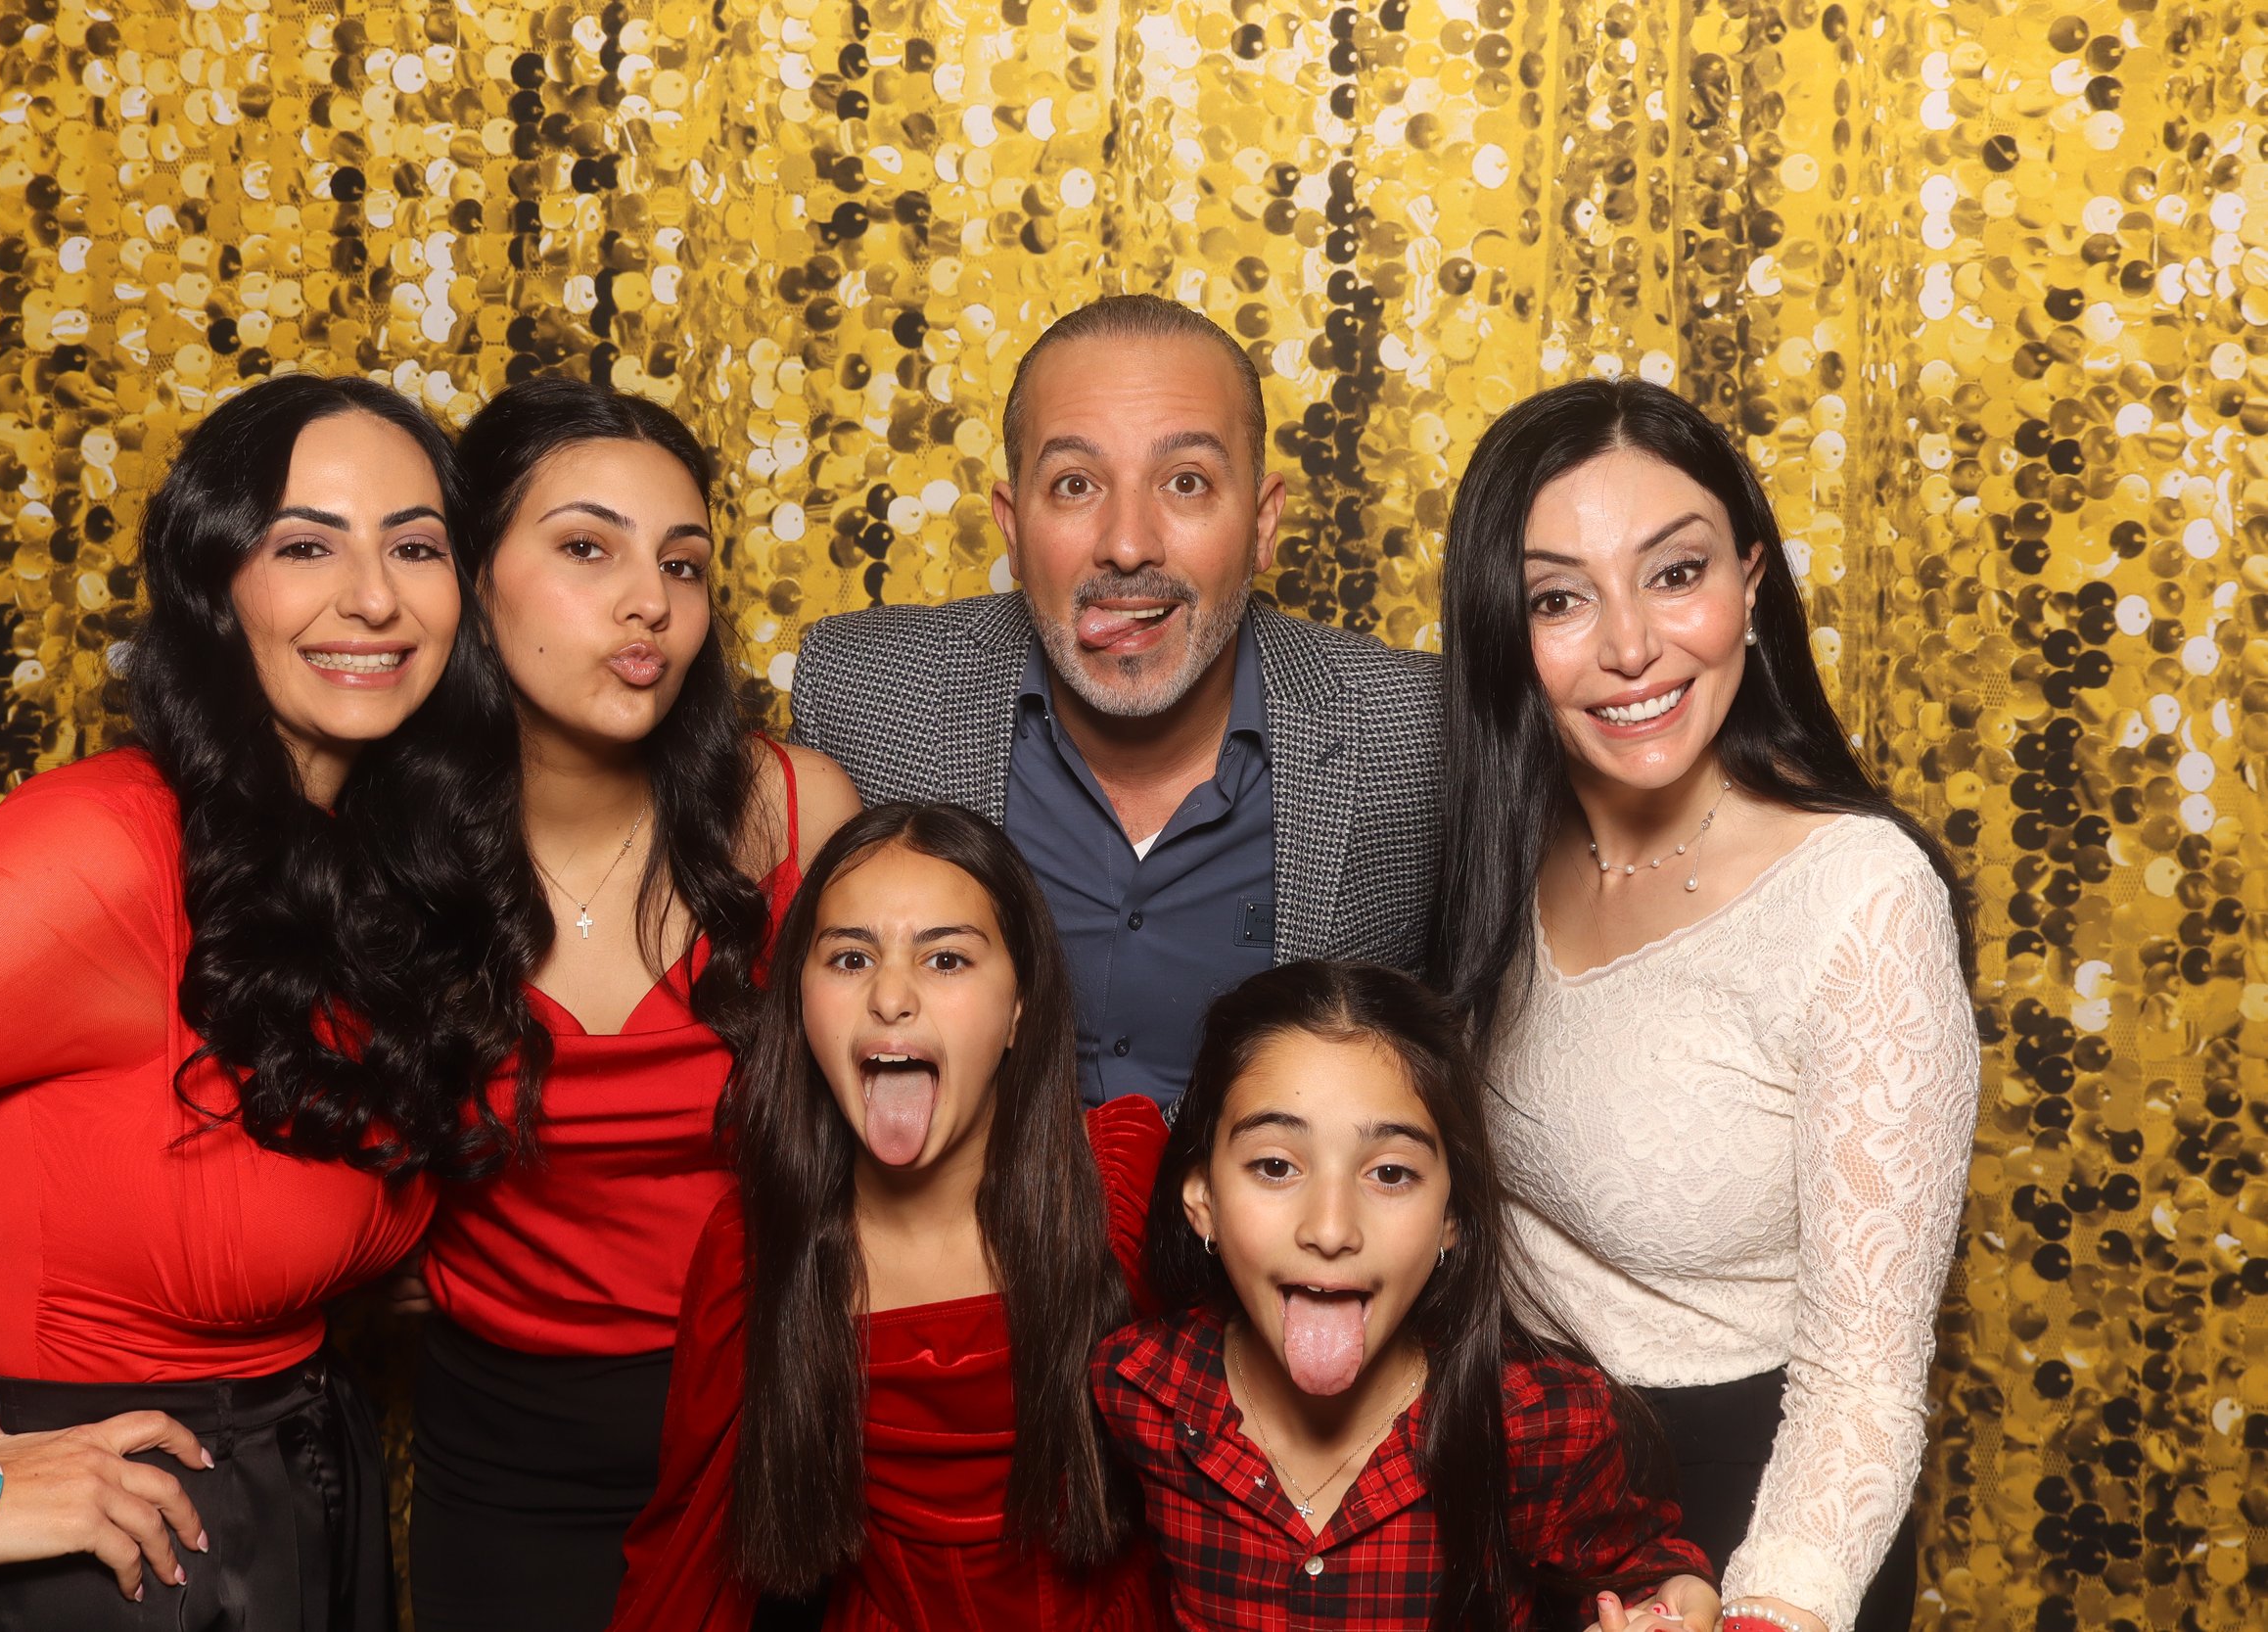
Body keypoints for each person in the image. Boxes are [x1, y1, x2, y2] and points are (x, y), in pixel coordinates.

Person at [0, 374, 538, 1630]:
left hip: (305, 1497)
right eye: (305, 543)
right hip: (117, 1565)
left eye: (415, 546)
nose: (374, 597)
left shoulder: (371, 861)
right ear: (215, 589)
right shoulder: (94, 853)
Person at [1431, 379, 1981, 1632]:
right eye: (1558, 597)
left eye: (1674, 575)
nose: (1630, 645)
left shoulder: (1860, 896)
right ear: (1500, 630)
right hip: (1529, 1485)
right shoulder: (1504, 839)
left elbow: (1861, 1383)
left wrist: (1760, 1607)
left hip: (1759, 1513)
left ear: (1750, 581)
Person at [404, 377, 857, 1632]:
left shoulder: (793, 812)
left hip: (774, 1435)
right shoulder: (385, 848)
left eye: (685, 562)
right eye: (586, 548)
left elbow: (903, 1125)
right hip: (504, 1466)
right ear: (470, 574)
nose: (650, 601)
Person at [788, 294, 1441, 1108]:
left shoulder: (1415, 732)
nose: (1128, 544)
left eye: (1187, 481)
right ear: (1014, 527)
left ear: (1265, 523)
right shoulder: (863, 700)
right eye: (1074, 484)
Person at [612, 803, 1171, 1632]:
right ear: (799, 1001)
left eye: (946, 958)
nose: (892, 997)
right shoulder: (755, 1257)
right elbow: (688, 1560)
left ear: (1020, 1005)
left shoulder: (1124, 1193)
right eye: (849, 957)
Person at [1096, 958, 1717, 1631]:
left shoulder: (1537, 1420)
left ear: (1451, 1215)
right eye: (1275, 1165)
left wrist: (1673, 1604)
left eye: (1390, 1172)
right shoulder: (1136, 1389)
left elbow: (1650, 1567)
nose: (1330, 1228)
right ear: (1202, 1201)